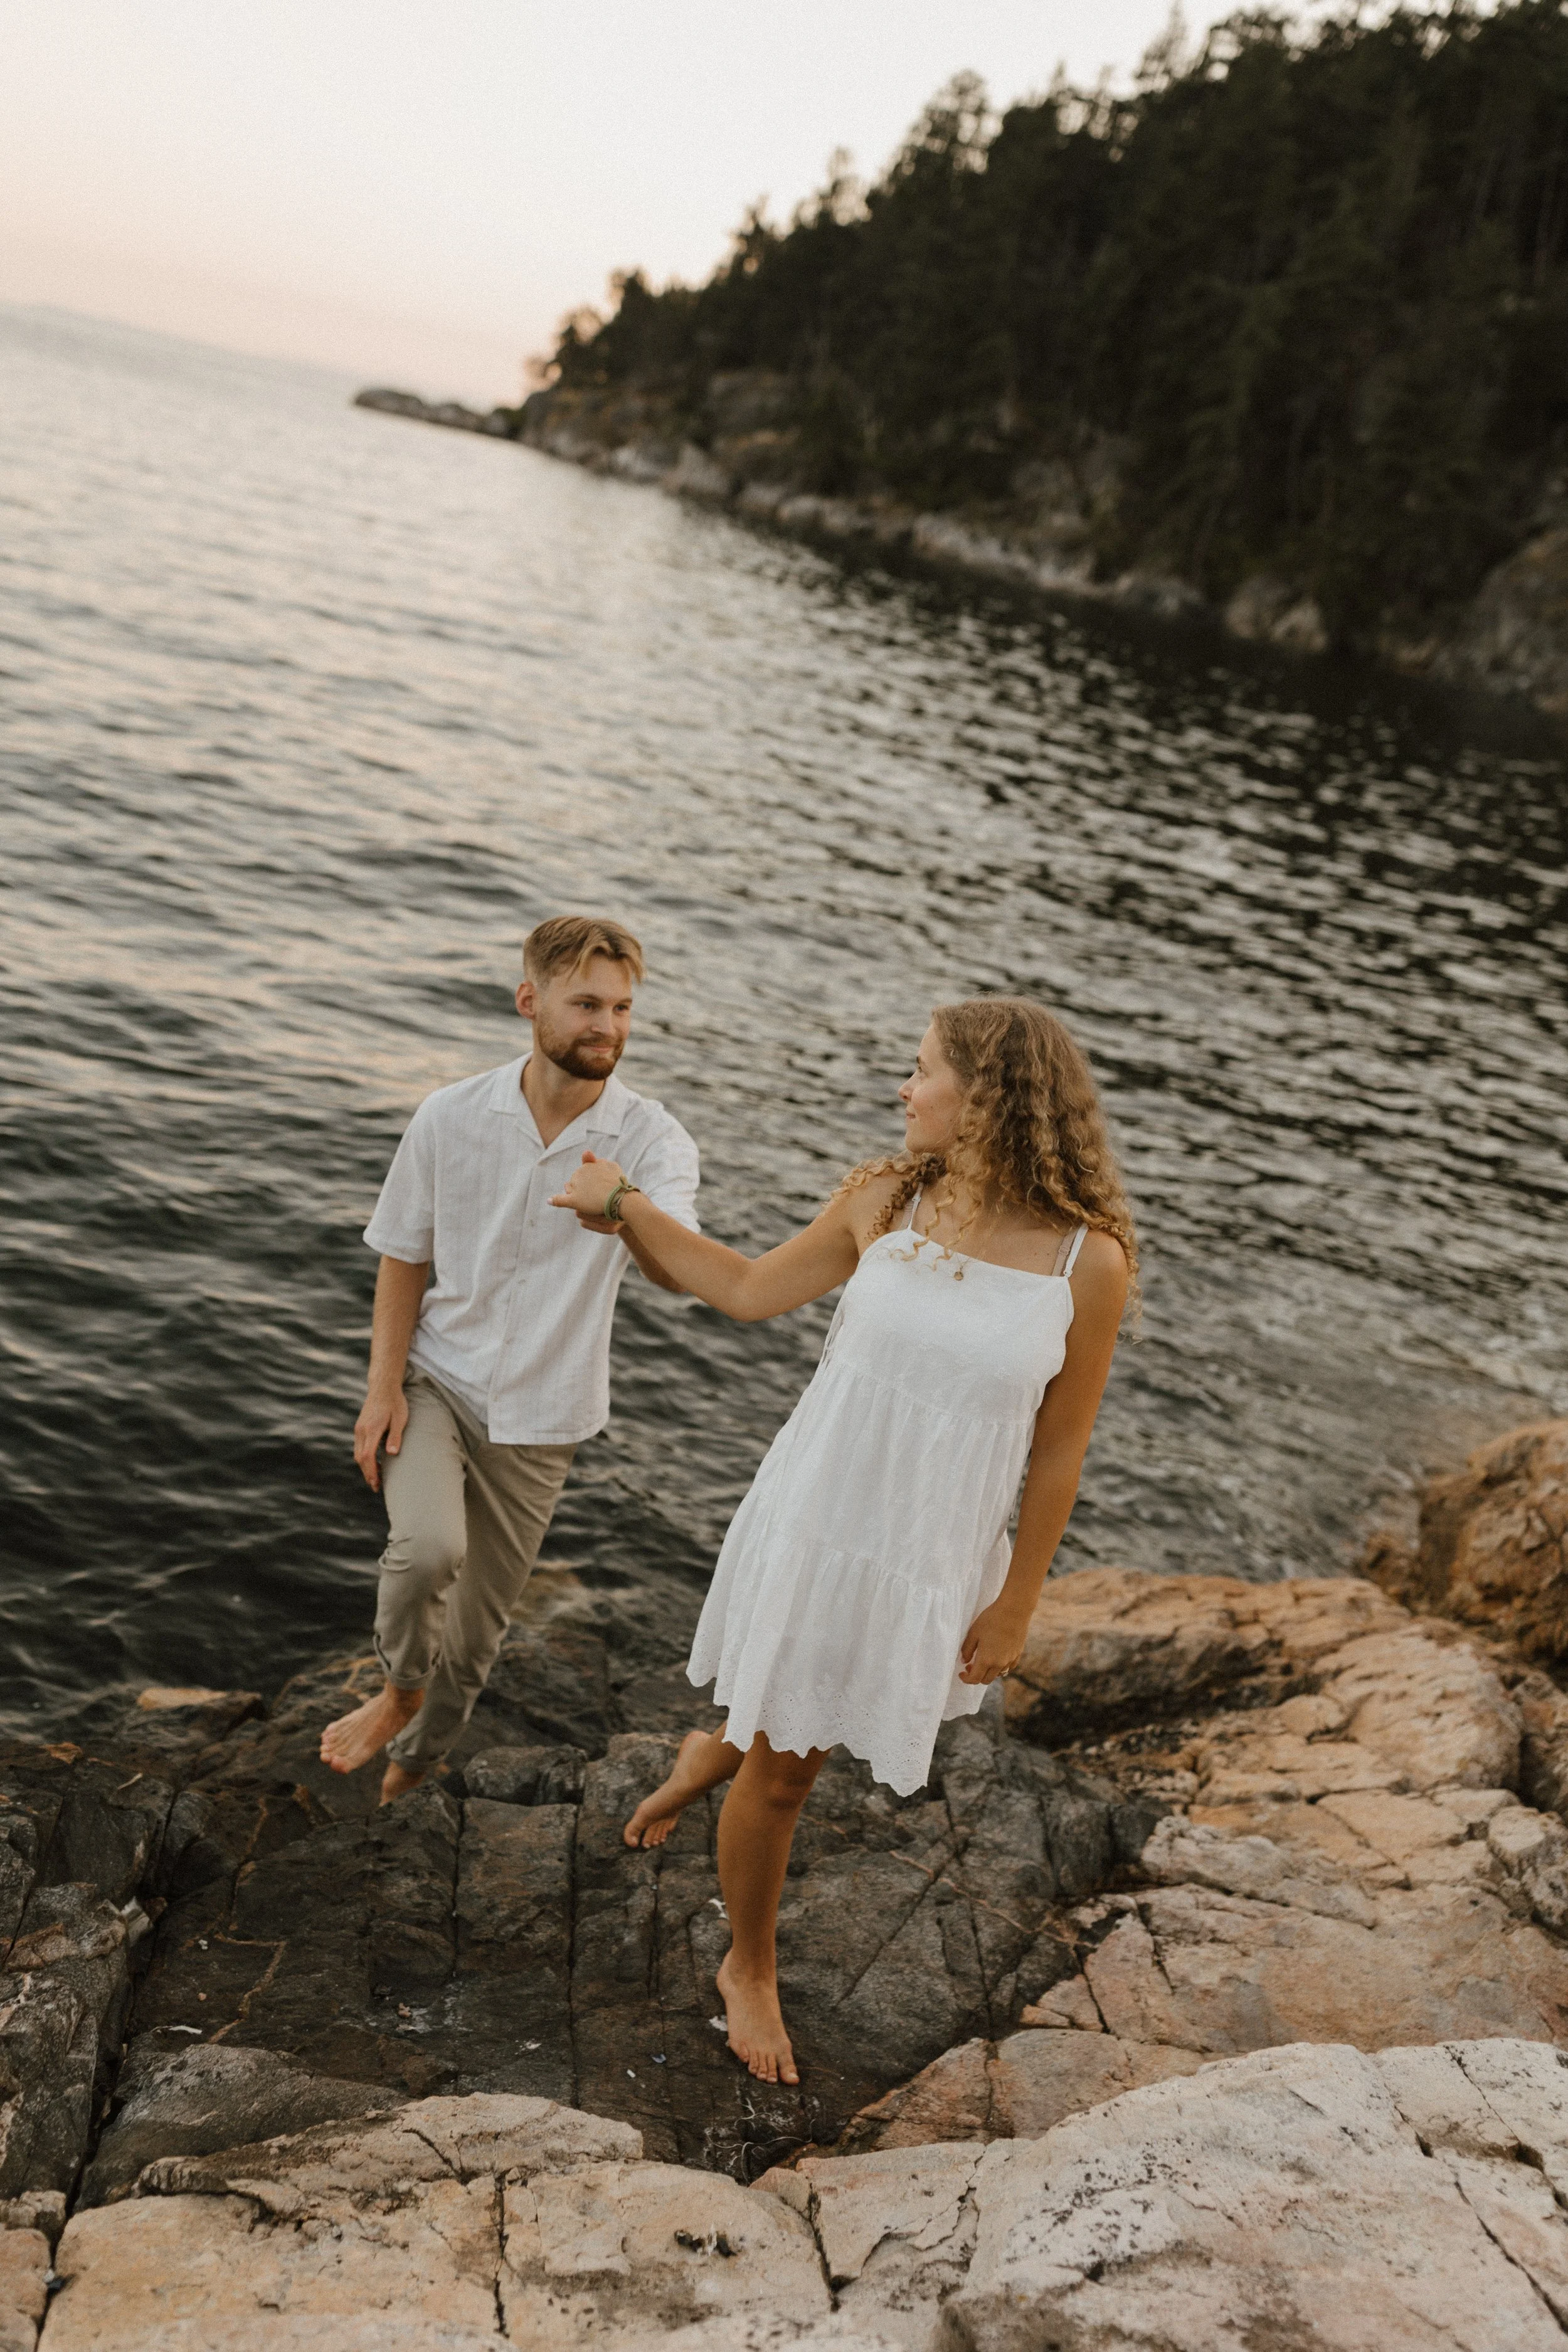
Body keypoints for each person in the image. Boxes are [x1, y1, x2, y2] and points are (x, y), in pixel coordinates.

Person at [551, 997, 1133, 2087]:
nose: (904, 1092)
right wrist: (625, 1204)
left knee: (795, 1726)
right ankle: (751, 1966)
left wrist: (1017, 1603)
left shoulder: (1083, 1264)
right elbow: (742, 1286)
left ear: (988, 1096)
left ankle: (707, 1747)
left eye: (921, 1073)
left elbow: (1059, 1452)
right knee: (784, 1780)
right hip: (820, 1516)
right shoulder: (887, 1199)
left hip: (927, 1552)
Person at [320, 914, 699, 1803]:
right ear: (530, 1001)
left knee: (479, 1634)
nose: (606, 1025)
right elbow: (404, 1254)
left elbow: (678, 1266)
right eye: (585, 1004)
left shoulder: (654, 1142)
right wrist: (381, 1389)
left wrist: (624, 1208)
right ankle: (399, 1687)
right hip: (438, 1380)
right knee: (424, 1551)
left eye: (621, 1007)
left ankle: (408, 1776)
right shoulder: (450, 1115)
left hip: (547, 1415)